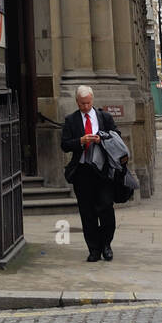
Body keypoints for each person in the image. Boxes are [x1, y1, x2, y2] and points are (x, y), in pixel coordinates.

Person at [61, 85, 118, 262]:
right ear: (77, 102)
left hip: (102, 172)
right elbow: (64, 145)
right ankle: (94, 249)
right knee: (87, 213)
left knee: (106, 209)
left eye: (87, 103)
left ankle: (106, 245)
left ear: (92, 100)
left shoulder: (104, 117)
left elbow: (116, 136)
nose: (85, 107)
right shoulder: (71, 120)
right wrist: (80, 141)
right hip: (82, 172)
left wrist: (102, 139)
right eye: (81, 103)